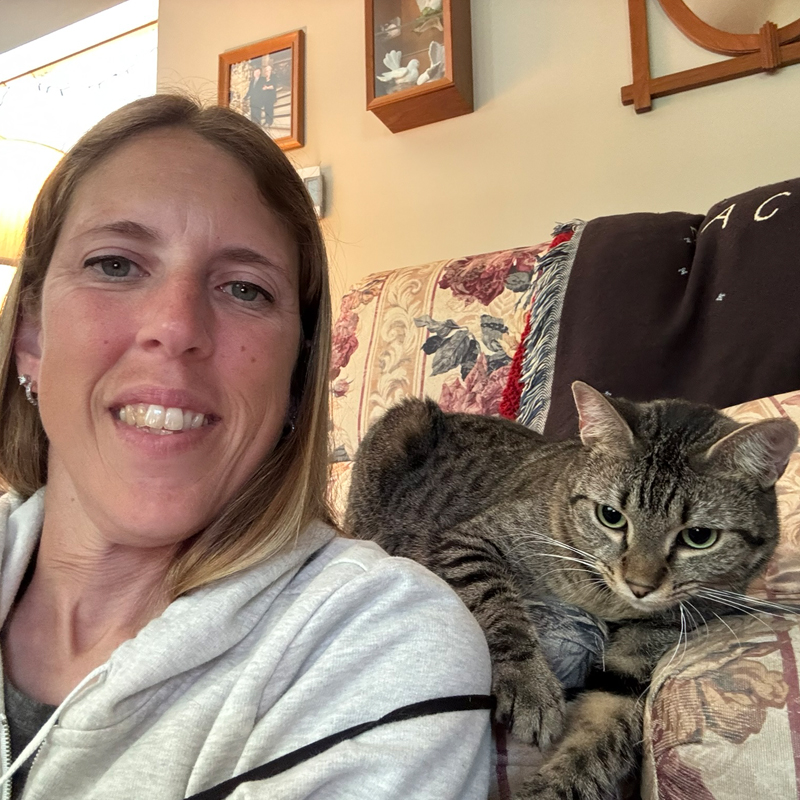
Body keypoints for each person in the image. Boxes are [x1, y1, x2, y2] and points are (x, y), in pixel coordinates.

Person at [0, 94, 492, 799]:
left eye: (243, 288)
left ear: (296, 377)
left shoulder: (375, 639)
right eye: (115, 264)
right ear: (31, 336)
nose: (176, 326)